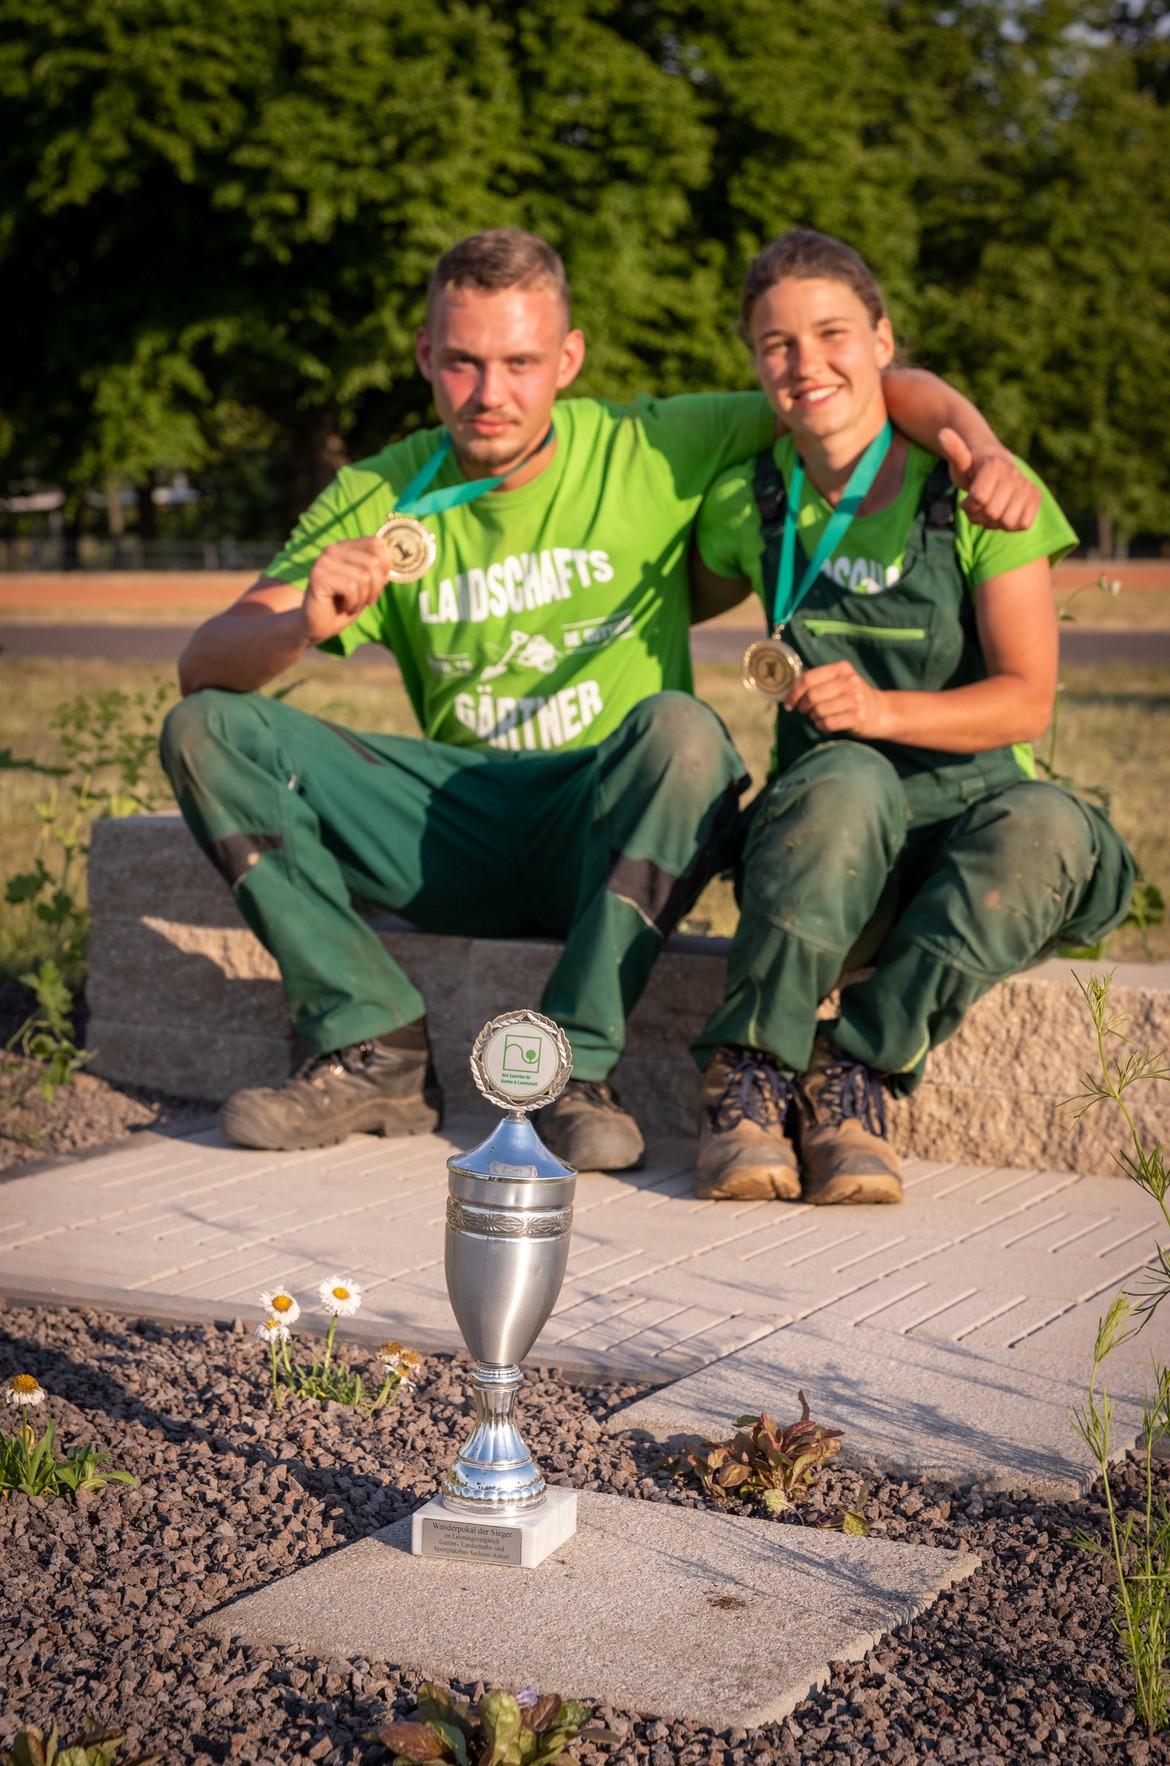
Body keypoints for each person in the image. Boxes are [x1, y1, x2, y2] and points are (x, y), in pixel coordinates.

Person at [163, 227, 1043, 1171]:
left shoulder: (650, 444)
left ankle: (571, 1071)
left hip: (611, 824)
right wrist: (302, 618)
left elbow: (851, 388)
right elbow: (206, 658)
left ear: (568, 359)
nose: (489, 393)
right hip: (450, 821)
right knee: (206, 728)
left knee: (685, 731)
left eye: (520, 362)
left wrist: (979, 443)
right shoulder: (380, 491)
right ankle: (369, 1037)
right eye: (461, 362)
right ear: (426, 356)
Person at [689, 227, 1135, 1205]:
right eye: (778, 344)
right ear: (754, 361)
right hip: (830, 844)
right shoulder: (749, 495)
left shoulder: (974, 491)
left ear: (884, 342)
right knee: (848, 776)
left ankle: (858, 1071)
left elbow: (1027, 697)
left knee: (1051, 823)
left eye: (833, 332)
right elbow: (659, 597)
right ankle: (751, 1076)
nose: (808, 364)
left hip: (969, 818)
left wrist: (882, 705)